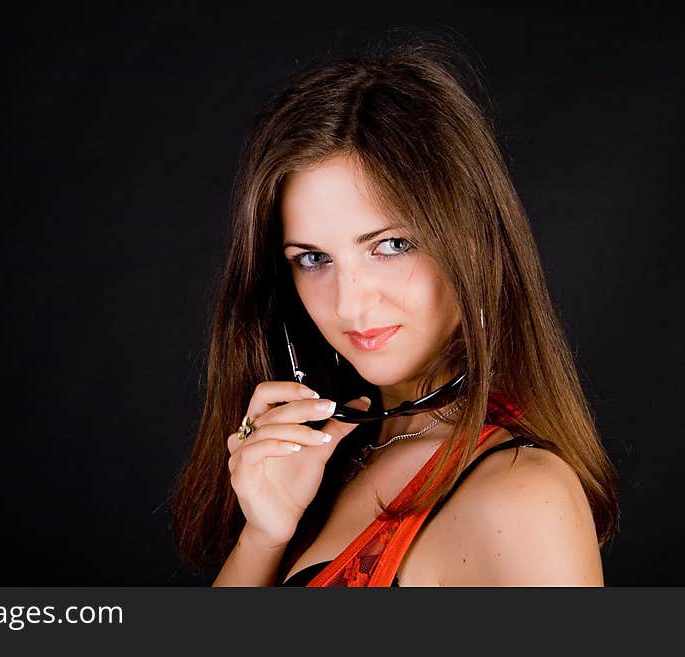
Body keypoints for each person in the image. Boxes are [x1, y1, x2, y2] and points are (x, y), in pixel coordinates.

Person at [171, 38, 619, 587]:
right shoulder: (335, 453)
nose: (350, 302)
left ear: (474, 244)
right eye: (313, 258)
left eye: (391, 245)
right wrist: (264, 536)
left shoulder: (522, 495)